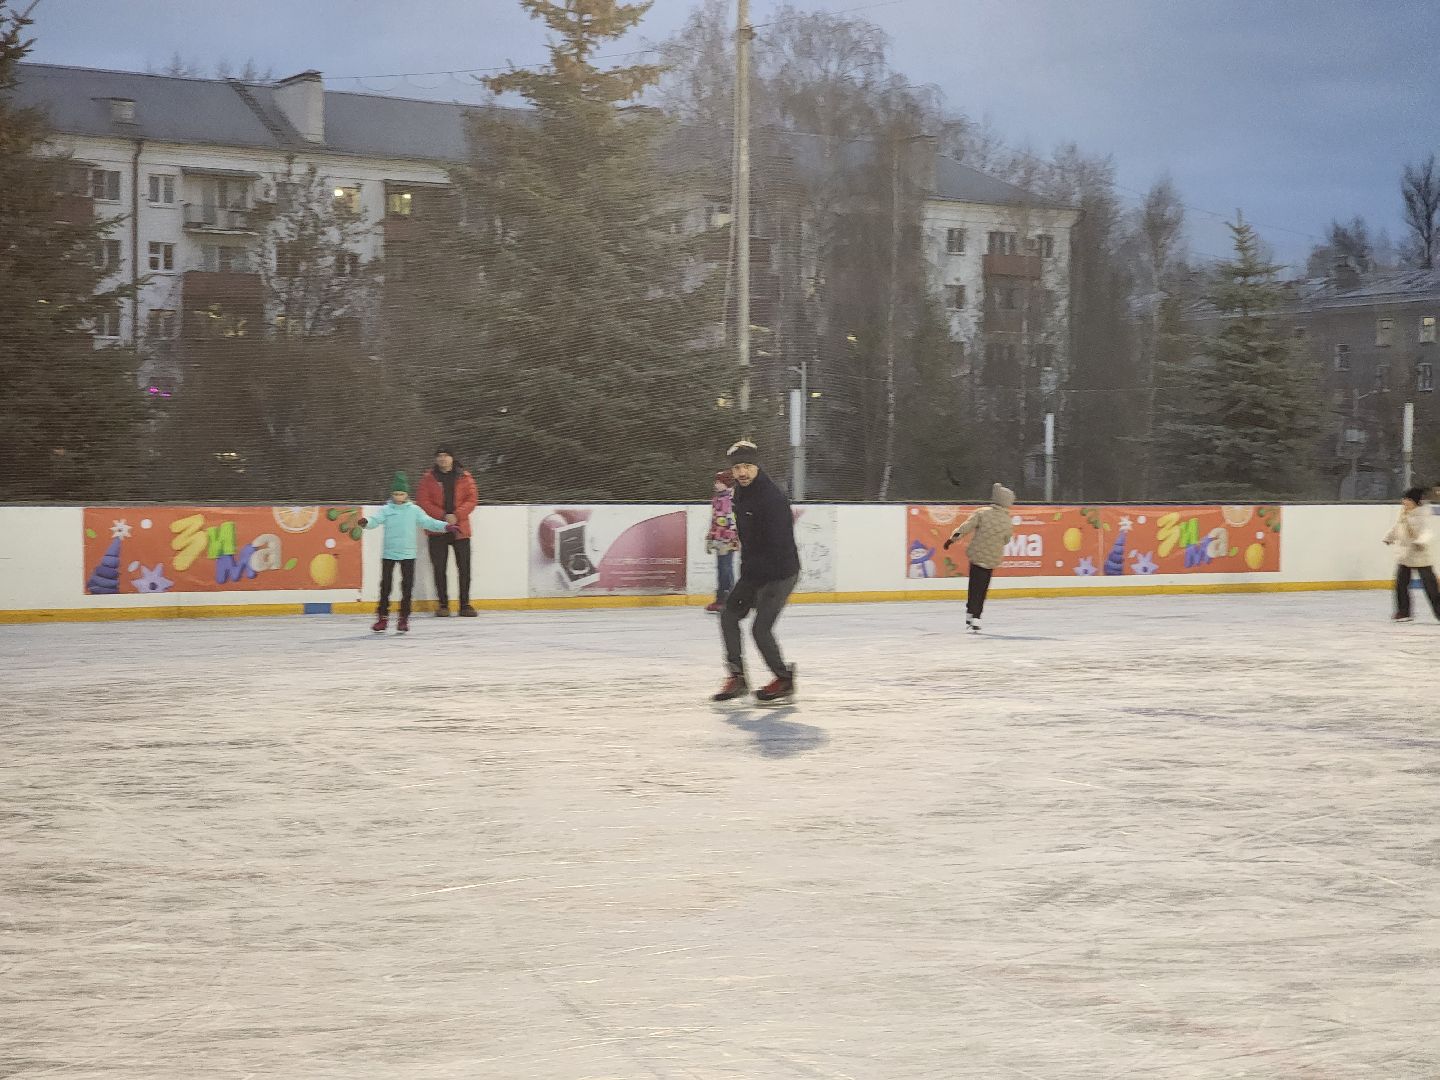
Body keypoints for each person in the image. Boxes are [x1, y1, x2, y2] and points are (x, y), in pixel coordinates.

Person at [713, 441, 801, 704]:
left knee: (760, 629)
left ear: (757, 466)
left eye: (747, 466)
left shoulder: (771, 498)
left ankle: (784, 679)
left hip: (779, 572)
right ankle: (737, 677)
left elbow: (777, 543)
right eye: (738, 467)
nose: (742, 472)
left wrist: (759, 586)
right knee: (728, 616)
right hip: (755, 571)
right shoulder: (740, 492)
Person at [361, 471, 456, 634]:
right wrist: (366, 522)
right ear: (392, 494)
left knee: (407, 587)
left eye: (402, 494)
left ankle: (403, 618)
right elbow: (374, 521)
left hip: (408, 554)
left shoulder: (414, 510)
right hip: (389, 553)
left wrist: (444, 526)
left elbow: (428, 522)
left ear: (406, 494)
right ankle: (382, 618)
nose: (399, 497)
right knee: (385, 587)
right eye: (396, 494)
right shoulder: (386, 509)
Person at [943, 483, 1016, 633]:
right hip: (991, 560)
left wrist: (952, 539)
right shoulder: (1007, 520)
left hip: (976, 556)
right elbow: (1007, 539)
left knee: (974, 586)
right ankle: (977, 617)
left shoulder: (982, 513)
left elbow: (966, 527)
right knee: (982, 589)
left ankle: (970, 612)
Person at [417, 447, 479, 617]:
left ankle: (465, 604)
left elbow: (472, 499)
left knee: (464, 568)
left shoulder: (465, 477)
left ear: (452, 458)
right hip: (438, 529)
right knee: (439, 568)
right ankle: (443, 604)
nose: (443, 459)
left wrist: (457, 515)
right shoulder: (428, 478)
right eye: (439, 456)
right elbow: (423, 501)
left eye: (446, 456)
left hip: (460, 529)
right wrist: (443, 516)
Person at [1384, 486, 1440, 622]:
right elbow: (1397, 527)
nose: (1404, 502)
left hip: (1420, 556)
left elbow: (1428, 532)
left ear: (1415, 501)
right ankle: (1404, 612)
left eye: (1407, 499)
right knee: (1400, 584)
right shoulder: (1403, 512)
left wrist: (1421, 541)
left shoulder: (1422, 514)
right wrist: (1389, 537)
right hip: (1405, 555)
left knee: (1430, 587)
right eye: (1404, 499)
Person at [705, 469, 739, 614]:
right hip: (719, 539)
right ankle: (721, 599)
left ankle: (729, 599)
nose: (716, 485)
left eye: (719, 482)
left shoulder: (729, 500)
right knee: (721, 568)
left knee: (726, 568)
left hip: (727, 539)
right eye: (716, 482)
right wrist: (711, 537)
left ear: (726, 483)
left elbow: (732, 521)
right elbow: (716, 521)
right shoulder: (717, 499)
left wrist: (729, 539)